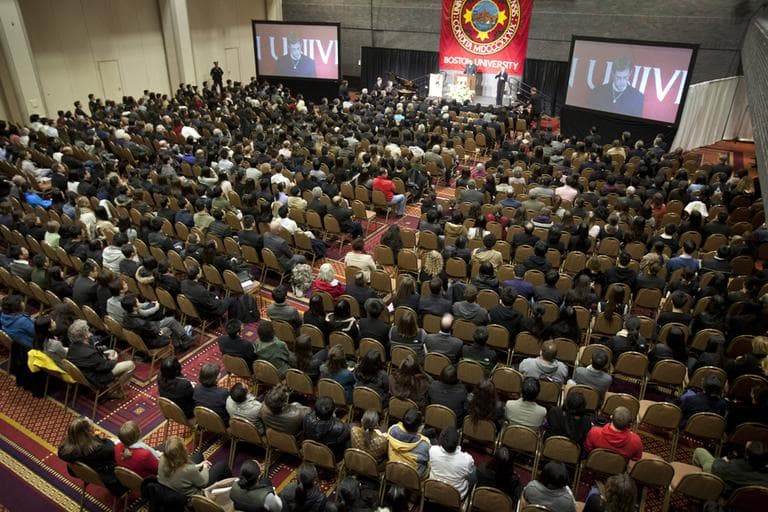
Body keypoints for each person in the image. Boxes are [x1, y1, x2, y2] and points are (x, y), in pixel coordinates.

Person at [66, 319, 134, 397]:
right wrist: (113, 360)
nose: (90, 331)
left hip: (88, 373)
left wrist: (105, 353)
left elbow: (94, 351)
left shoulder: (72, 347)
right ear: (85, 335)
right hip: (98, 378)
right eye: (87, 330)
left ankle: (115, 382)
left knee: (111, 351)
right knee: (130, 364)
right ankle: (114, 390)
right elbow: (104, 367)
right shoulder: (89, 353)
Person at [58, 417, 125, 496]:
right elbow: (112, 449)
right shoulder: (102, 449)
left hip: (84, 474)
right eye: (91, 428)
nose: (93, 429)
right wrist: (102, 440)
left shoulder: (64, 450)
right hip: (108, 477)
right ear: (87, 432)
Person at [158, 435, 232, 496]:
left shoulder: (162, 459)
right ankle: (234, 486)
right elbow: (203, 483)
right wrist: (205, 467)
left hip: (172, 488)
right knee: (222, 466)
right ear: (182, 452)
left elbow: (181, 470)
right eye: (184, 447)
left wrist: (199, 465)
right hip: (192, 497)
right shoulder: (188, 470)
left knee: (198, 455)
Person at [692, 441, 768, 490]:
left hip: (721, 479)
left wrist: (724, 459)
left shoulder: (735, 467)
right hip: (742, 497)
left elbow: (716, 467)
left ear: (747, 456)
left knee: (699, 451)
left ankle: (697, 485)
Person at [428, 426, 476, 499]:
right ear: (458, 442)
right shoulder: (467, 459)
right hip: (455, 497)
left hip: (433, 490)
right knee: (474, 470)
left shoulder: (432, 450)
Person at [387, 407, 431, 478]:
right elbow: (429, 459)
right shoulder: (424, 444)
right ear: (419, 427)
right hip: (413, 477)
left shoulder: (393, 430)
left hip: (394, 468)